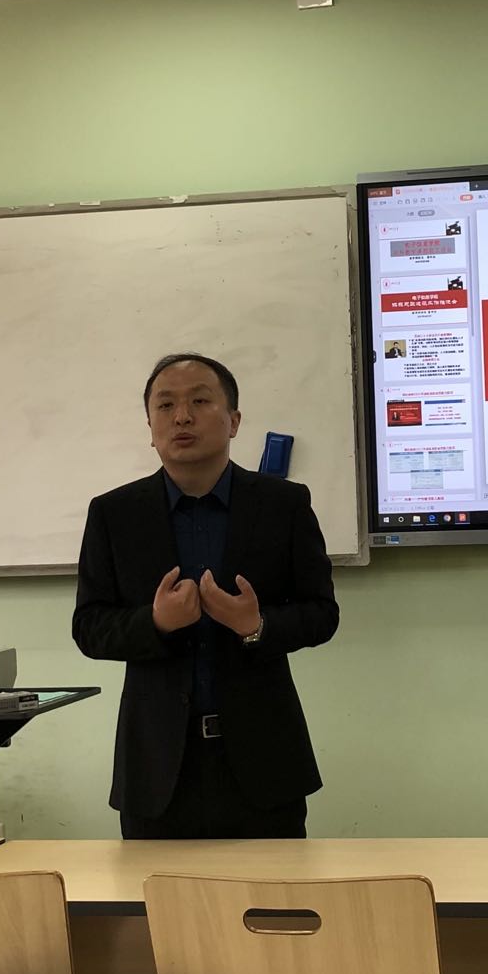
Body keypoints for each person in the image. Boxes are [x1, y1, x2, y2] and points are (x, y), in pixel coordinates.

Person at [72, 353, 338, 839]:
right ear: (150, 427)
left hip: (265, 764)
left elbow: (322, 613)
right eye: (165, 405)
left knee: (276, 890)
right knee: (156, 892)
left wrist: (256, 626)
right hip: (156, 770)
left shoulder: (283, 504)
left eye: (199, 401)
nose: (182, 417)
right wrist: (155, 623)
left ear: (233, 421)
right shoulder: (114, 514)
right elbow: (89, 627)